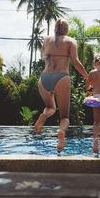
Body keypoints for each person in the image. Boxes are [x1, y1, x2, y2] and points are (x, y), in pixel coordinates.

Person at [34, 18, 89, 152]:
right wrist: (88, 78)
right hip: (61, 77)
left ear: (55, 28)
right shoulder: (71, 41)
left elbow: (42, 56)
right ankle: (61, 132)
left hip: (44, 77)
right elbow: (76, 63)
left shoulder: (47, 39)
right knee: (64, 117)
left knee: (50, 107)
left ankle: (44, 116)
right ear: (66, 29)